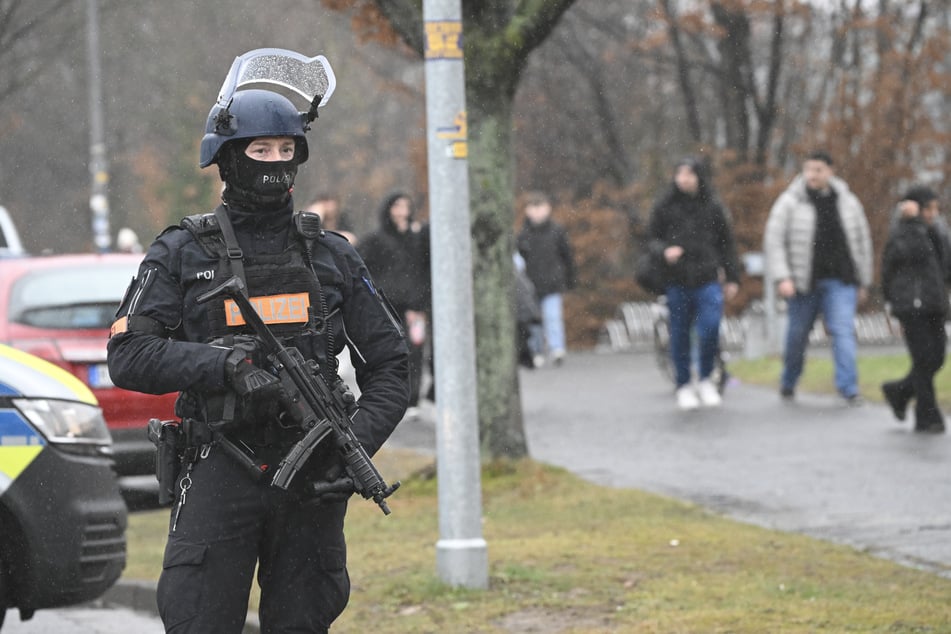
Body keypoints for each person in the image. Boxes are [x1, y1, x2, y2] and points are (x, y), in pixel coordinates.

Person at [106, 70, 410, 632]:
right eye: (260, 148)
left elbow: (391, 367)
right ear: (227, 156)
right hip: (220, 463)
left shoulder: (334, 257)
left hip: (312, 475)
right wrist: (221, 364)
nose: (275, 159)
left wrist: (354, 445)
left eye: (286, 147)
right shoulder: (180, 252)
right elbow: (128, 355)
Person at [764, 149, 872, 406]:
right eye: (809, 169)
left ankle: (849, 388)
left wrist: (863, 281)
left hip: (841, 280)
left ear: (830, 171)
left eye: (818, 170)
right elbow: (774, 241)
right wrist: (783, 277)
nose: (813, 175)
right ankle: (789, 380)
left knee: (842, 331)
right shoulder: (790, 202)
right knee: (797, 336)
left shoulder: (847, 201)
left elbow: (862, 241)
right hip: (803, 283)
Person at [646, 157, 740, 410]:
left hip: (707, 277)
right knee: (679, 333)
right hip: (676, 279)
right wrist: (664, 251)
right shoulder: (665, 206)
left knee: (710, 328)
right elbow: (650, 239)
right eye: (680, 173)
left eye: (689, 174)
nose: (684, 179)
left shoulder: (712, 207)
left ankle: (707, 378)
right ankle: (684, 384)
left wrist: (732, 277)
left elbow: (726, 244)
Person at [881, 186, 949, 433]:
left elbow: (945, 264)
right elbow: (911, 255)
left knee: (937, 358)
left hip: (934, 304)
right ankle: (928, 417)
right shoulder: (903, 232)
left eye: (935, 209)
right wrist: (912, 222)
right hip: (911, 305)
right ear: (916, 209)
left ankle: (898, 391)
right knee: (923, 360)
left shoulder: (937, 231)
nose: (934, 214)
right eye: (928, 209)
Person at [358, 191, 430, 410]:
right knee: (388, 352)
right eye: (397, 206)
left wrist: (421, 304)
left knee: (415, 352)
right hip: (386, 306)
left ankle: (412, 400)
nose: (402, 212)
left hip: (414, 308)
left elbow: (425, 271)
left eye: (405, 206)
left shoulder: (417, 239)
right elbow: (360, 265)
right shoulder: (376, 240)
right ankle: (388, 396)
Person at [516, 191, 576, 366]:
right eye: (533, 208)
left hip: (552, 283)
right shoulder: (523, 234)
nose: (537, 212)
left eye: (540, 208)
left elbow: (567, 257)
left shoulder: (556, 231)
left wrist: (569, 278)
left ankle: (557, 348)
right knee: (533, 320)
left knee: (552, 317)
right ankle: (536, 350)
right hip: (530, 285)